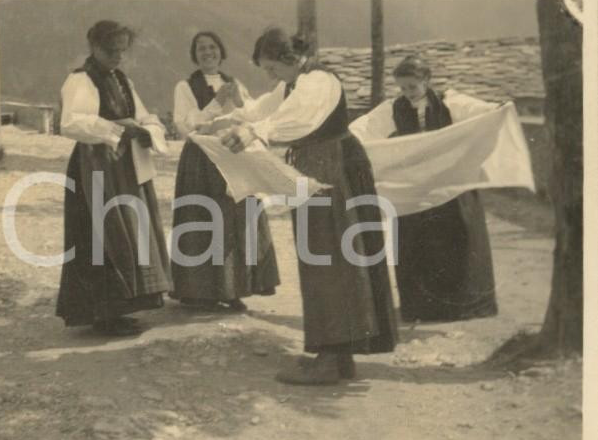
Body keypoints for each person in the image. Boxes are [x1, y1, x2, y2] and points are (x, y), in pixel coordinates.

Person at [203, 27, 397, 385]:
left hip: (334, 169)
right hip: (316, 167)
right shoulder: (291, 84)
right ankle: (335, 354)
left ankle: (333, 356)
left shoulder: (318, 81)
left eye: (273, 69)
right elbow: (266, 109)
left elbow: (298, 119)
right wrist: (236, 119)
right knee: (319, 256)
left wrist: (256, 131)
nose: (271, 76)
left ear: (290, 60)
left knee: (331, 257)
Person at [348, 55, 500, 323]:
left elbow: (481, 112)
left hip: (449, 181)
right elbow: (363, 128)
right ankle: (422, 307)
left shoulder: (449, 102)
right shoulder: (392, 108)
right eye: (403, 88)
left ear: (426, 81)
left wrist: (498, 109)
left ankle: (462, 306)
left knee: (458, 238)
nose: (407, 94)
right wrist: (353, 141)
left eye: (412, 87)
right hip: (416, 184)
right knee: (416, 240)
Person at [56, 20, 172, 336]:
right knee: (102, 233)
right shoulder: (81, 80)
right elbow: (71, 123)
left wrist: (149, 129)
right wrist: (117, 126)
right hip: (95, 165)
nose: (118, 56)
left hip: (125, 166)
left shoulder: (121, 79)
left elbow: (145, 114)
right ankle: (102, 313)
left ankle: (122, 308)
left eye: (122, 50)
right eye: (111, 50)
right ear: (94, 46)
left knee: (130, 231)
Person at [170, 31, 280, 312]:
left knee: (235, 219)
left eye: (212, 47)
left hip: (232, 155)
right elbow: (185, 125)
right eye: (201, 49)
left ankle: (233, 288)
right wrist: (217, 103)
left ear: (221, 52)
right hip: (201, 159)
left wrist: (239, 102)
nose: (208, 53)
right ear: (195, 55)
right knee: (203, 218)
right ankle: (198, 291)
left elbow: (251, 114)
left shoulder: (235, 83)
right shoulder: (185, 86)